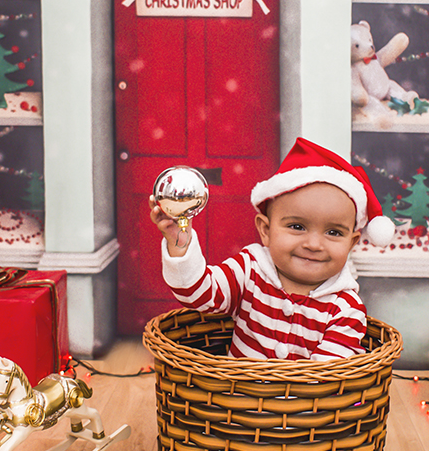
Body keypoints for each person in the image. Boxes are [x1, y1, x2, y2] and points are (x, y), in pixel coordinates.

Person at [149, 138, 396, 360]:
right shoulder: (250, 269)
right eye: (297, 227)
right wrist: (180, 242)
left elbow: (324, 380)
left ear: (352, 243)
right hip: (234, 396)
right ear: (265, 230)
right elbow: (199, 295)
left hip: (304, 400)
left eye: (334, 233)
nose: (313, 244)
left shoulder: (345, 308)